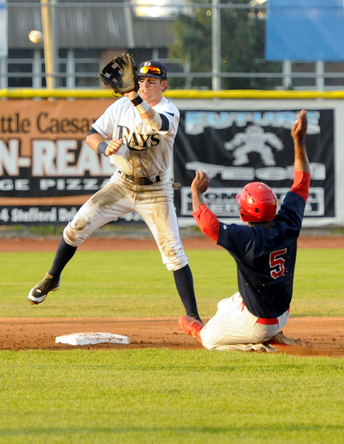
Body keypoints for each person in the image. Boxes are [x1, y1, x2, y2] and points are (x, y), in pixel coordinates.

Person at [28, 59, 202, 323]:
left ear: (164, 85)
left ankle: (194, 317)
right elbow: (92, 134)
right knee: (75, 228)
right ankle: (52, 278)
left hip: (156, 190)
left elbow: (156, 123)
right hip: (121, 184)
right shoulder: (122, 105)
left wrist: (133, 98)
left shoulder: (169, 110)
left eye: (152, 81)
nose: (145, 85)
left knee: (174, 253)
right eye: (141, 80)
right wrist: (104, 147)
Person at [179, 110, 310, 351]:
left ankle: (256, 344)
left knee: (208, 339)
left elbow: (208, 225)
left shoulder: (245, 238)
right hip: (281, 313)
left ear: (243, 212)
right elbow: (301, 183)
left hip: (260, 322)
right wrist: (298, 140)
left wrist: (196, 192)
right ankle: (264, 334)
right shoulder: (289, 223)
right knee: (224, 304)